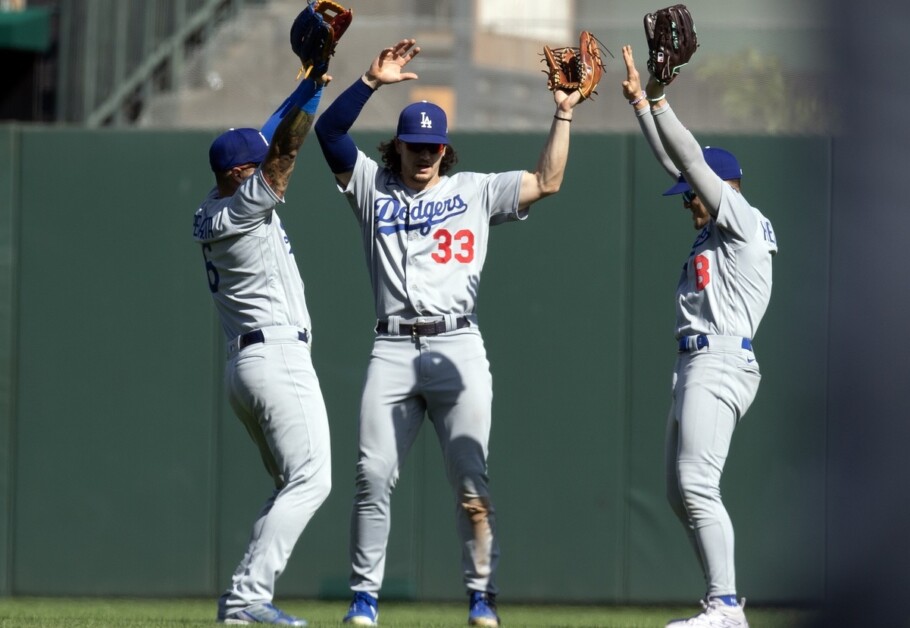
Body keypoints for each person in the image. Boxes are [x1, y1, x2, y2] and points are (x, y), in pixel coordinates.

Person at [313, 39, 585, 627]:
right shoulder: (372, 187)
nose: (425, 156)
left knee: (471, 480)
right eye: (415, 146)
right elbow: (329, 134)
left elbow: (548, 180)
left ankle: (481, 595)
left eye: (435, 146)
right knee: (372, 476)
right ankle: (364, 599)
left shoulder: (474, 190)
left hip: (458, 344)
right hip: (391, 344)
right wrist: (368, 81)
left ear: (445, 148)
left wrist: (564, 112)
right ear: (399, 147)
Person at [621, 45, 777, 628]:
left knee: (696, 482)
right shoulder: (720, 223)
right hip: (695, 364)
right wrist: (641, 103)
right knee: (677, 492)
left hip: (720, 358)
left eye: (695, 191)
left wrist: (660, 99)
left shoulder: (737, 217)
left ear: (722, 187)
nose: (687, 199)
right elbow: (678, 165)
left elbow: (688, 161)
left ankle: (725, 607)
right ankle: (722, 600)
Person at [192, 16, 334, 625]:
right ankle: (249, 600)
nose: (262, 161)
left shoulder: (212, 206)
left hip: (244, 368)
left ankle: (243, 597)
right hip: (275, 359)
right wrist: (319, 94)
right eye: (253, 163)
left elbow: (273, 134)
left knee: (292, 484)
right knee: (314, 480)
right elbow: (284, 151)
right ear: (239, 173)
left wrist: (312, 82)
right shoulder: (248, 203)